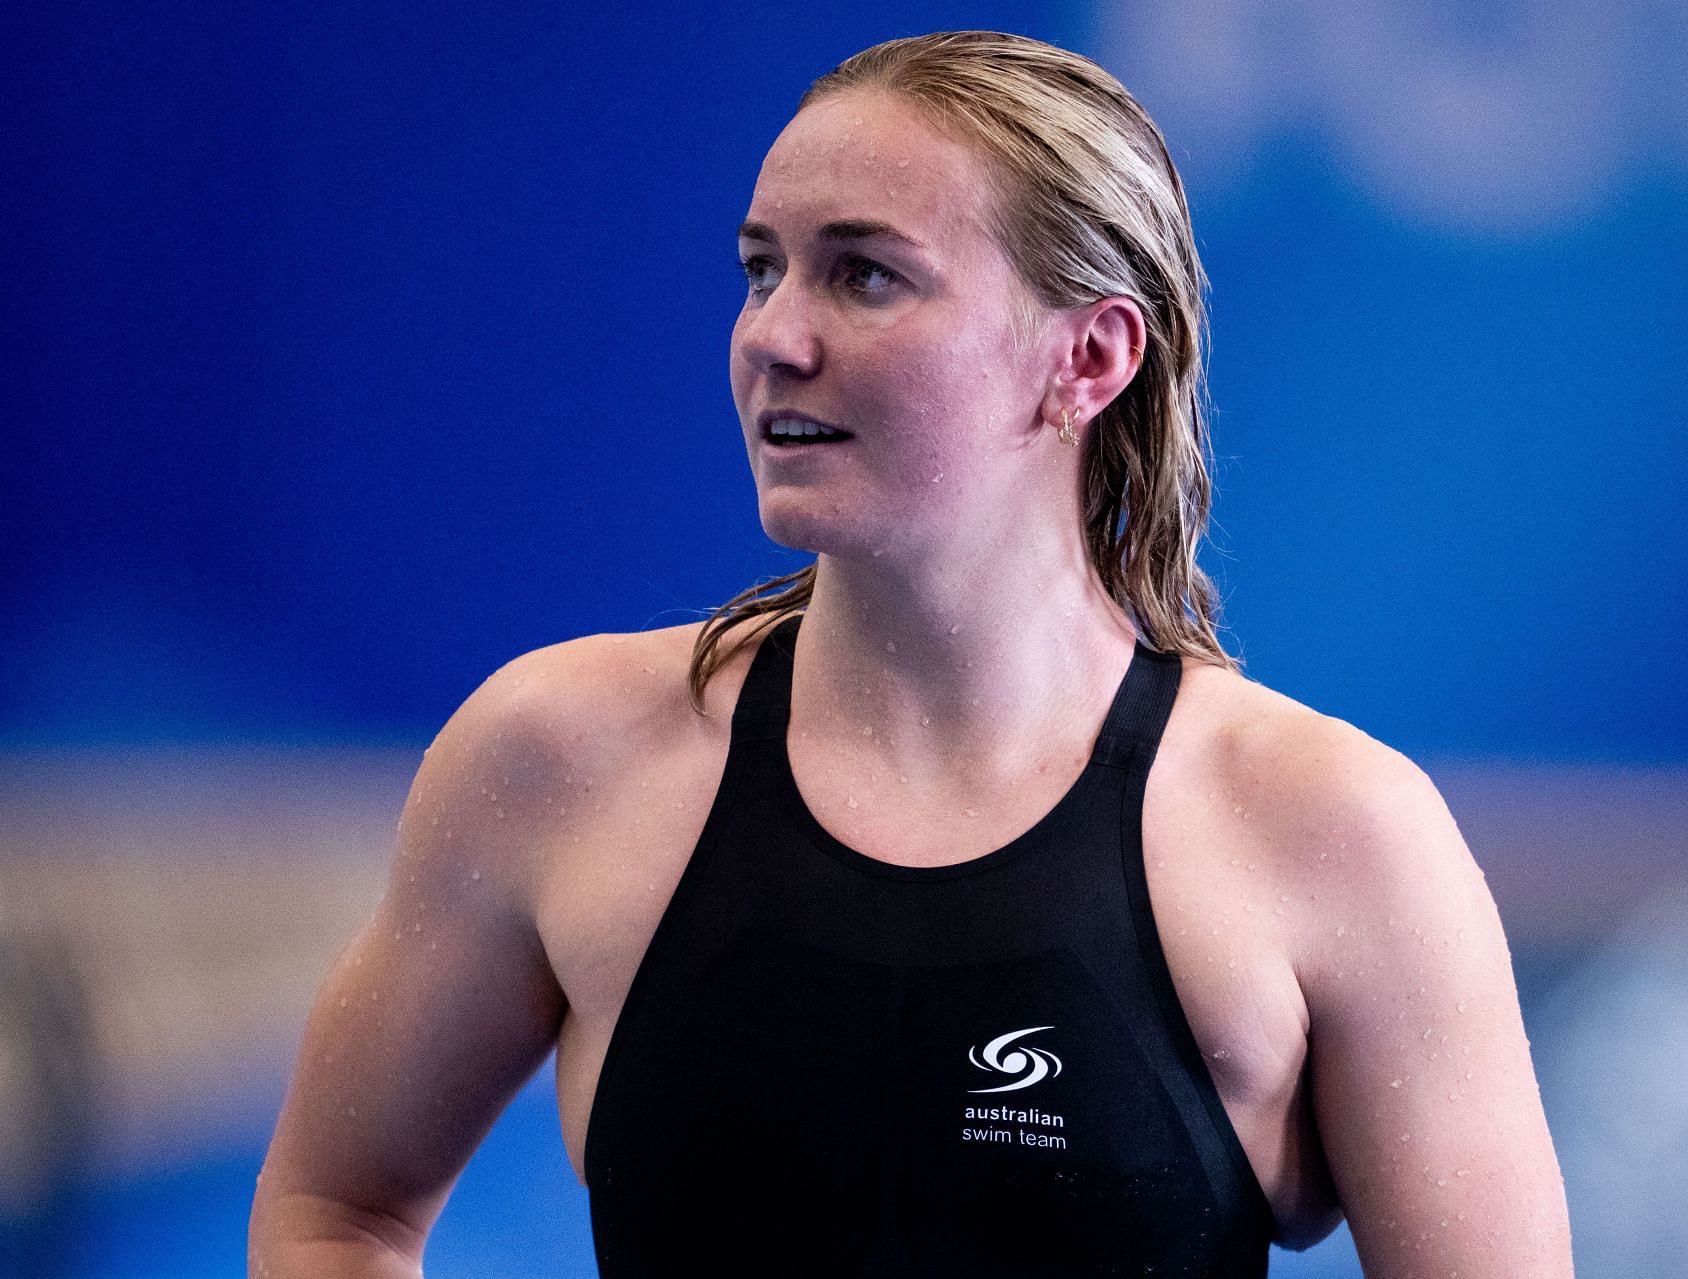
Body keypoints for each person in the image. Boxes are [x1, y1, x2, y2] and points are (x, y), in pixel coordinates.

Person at [248, 29, 1574, 1278]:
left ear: (1089, 357)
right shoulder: (559, 759)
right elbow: (336, 1211)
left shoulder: (1330, 834)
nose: (776, 336)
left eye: (864, 273)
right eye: (761, 268)